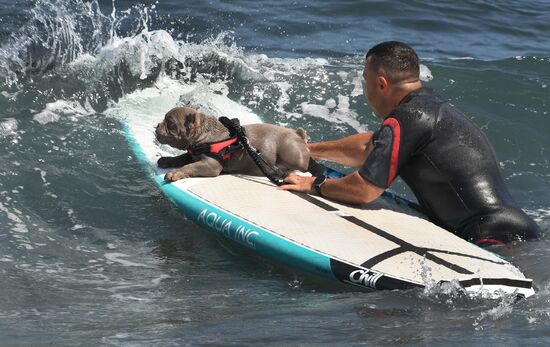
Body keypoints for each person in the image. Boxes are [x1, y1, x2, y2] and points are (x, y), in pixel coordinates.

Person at [280, 41, 541, 245]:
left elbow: (365, 190)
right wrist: (309, 150)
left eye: (365, 80)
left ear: (381, 83)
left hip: (493, 237)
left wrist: (314, 184)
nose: (365, 88)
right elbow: (368, 148)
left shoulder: (408, 117)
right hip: (514, 230)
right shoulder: (426, 107)